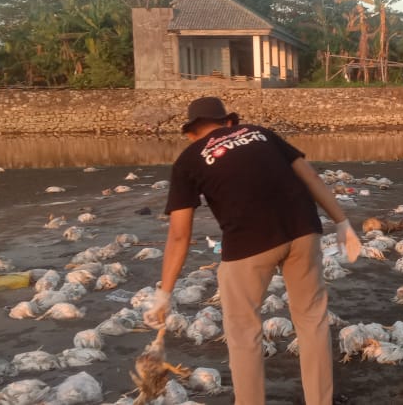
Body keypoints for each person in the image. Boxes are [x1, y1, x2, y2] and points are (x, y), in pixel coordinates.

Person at [143, 96, 362, 405]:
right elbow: (309, 175)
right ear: (229, 122)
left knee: (244, 334)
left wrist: (165, 294)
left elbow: (180, 235)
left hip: (248, 244)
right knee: (312, 322)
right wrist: (342, 222)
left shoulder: (188, 158)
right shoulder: (261, 133)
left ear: (192, 132)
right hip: (303, 229)